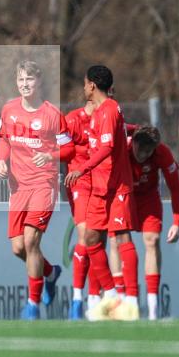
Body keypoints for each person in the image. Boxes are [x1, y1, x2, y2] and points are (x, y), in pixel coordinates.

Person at [0, 61, 72, 320]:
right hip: (18, 188)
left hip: (43, 184)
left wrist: (50, 156)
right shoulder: (9, 109)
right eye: (20, 80)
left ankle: (32, 305)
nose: (24, 84)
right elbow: (5, 139)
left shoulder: (51, 113)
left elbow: (69, 149)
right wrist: (1, 161)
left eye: (29, 79)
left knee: (30, 241)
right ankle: (50, 273)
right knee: (18, 248)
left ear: (39, 82)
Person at [65, 65, 139, 321]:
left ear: (92, 85)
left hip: (115, 185)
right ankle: (110, 295)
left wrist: (82, 169)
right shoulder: (99, 112)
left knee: (121, 237)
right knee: (92, 238)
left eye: (85, 83)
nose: (83, 87)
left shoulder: (107, 109)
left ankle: (131, 300)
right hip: (100, 186)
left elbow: (106, 148)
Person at [128, 125, 179, 320]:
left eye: (148, 152)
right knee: (119, 242)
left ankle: (152, 308)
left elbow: (175, 188)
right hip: (124, 197)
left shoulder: (162, 153)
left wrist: (176, 222)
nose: (143, 155)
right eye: (140, 150)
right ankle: (128, 302)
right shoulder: (121, 147)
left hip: (148, 198)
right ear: (132, 142)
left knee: (152, 240)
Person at [64, 99, 100, 320]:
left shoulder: (109, 116)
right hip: (79, 182)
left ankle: (94, 298)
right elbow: (59, 147)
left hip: (103, 182)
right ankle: (77, 298)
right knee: (85, 234)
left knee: (97, 239)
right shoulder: (72, 119)